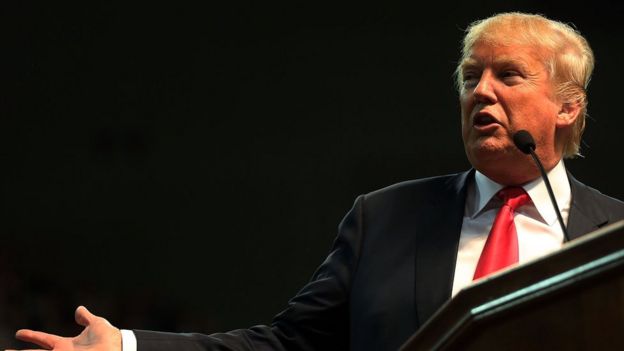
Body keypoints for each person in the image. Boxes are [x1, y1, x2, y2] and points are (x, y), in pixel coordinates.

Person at [9, 12, 624, 351]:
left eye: (508, 75)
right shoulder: (385, 218)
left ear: (568, 106)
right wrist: (126, 348)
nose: (481, 92)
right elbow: (283, 346)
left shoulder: (614, 238)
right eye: (470, 77)